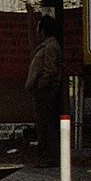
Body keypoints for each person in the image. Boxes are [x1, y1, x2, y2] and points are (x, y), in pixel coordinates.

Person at [25, 15, 65, 165]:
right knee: (43, 125)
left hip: (46, 92)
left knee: (46, 125)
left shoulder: (50, 46)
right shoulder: (47, 45)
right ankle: (46, 155)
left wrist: (40, 85)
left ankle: (50, 157)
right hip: (43, 91)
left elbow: (49, 70)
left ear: (44, 29)